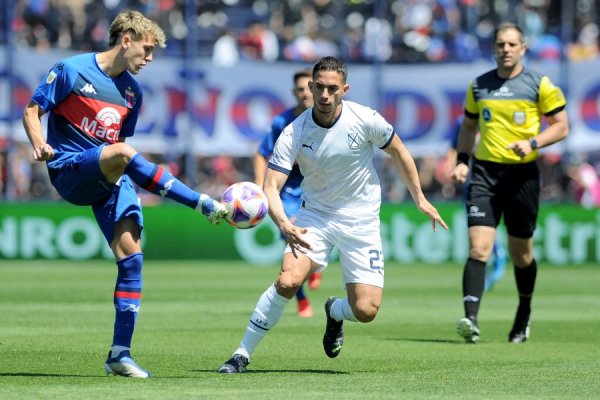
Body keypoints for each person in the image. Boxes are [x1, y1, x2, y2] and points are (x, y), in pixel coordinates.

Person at [21, 10, 228, 378]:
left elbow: (117, 144)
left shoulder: (132, 92)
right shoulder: (71, 69)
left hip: (107, 175)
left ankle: (120, 353)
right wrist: (39, 145)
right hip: (68, 168)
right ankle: (200, 202)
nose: (149, 59)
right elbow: (33, 111)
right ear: (127, 38)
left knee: (132, 256)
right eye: (147, 50)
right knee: (122, 154)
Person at [218, 56, 447, 373]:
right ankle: (241, 354)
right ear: (310, 87)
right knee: (288, 280)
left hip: (361, 222)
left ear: (345, 89)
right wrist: (284, 223)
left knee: (366, 310)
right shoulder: (294, 132)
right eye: (319, 88)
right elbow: (271, 186)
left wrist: (419, 198)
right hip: (316, 218)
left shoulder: (365, 118)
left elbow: (399, 150)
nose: (324, 95)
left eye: (332, 89)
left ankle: (335, 311)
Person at [451, 22, 569, 344]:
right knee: (479, 247)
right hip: (484, 175)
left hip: (522, 177)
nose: (505, 49)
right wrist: (462, 161)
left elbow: (561, 126)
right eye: (500, 44)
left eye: (511, 44)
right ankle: (470, 320)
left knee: (522, 254)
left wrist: (532, 143)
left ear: (522, 49)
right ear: (493, 48)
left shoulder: (539, 83)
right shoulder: (479, 86)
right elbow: (468, 127)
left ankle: (524, 313)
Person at [254, 68, 321, 318]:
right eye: (300, 89)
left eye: (308, 88)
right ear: (294, 92)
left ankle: (315, 266)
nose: (305, 93)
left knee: (323, 235)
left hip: (318, 187)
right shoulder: (283, 122)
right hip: (290, 192)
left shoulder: (327, 119)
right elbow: (262, 153)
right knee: (291, 236)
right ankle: (301, 299)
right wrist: (262, 187)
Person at [446, 116, 506, 291]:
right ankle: (487, 260)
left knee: (489, 219)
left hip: (494, 176)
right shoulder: (461, 121)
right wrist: (452, 167)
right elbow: (453, 147)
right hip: (471, 179)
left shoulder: (497, 114)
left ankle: (497, 254)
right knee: (474, 223)